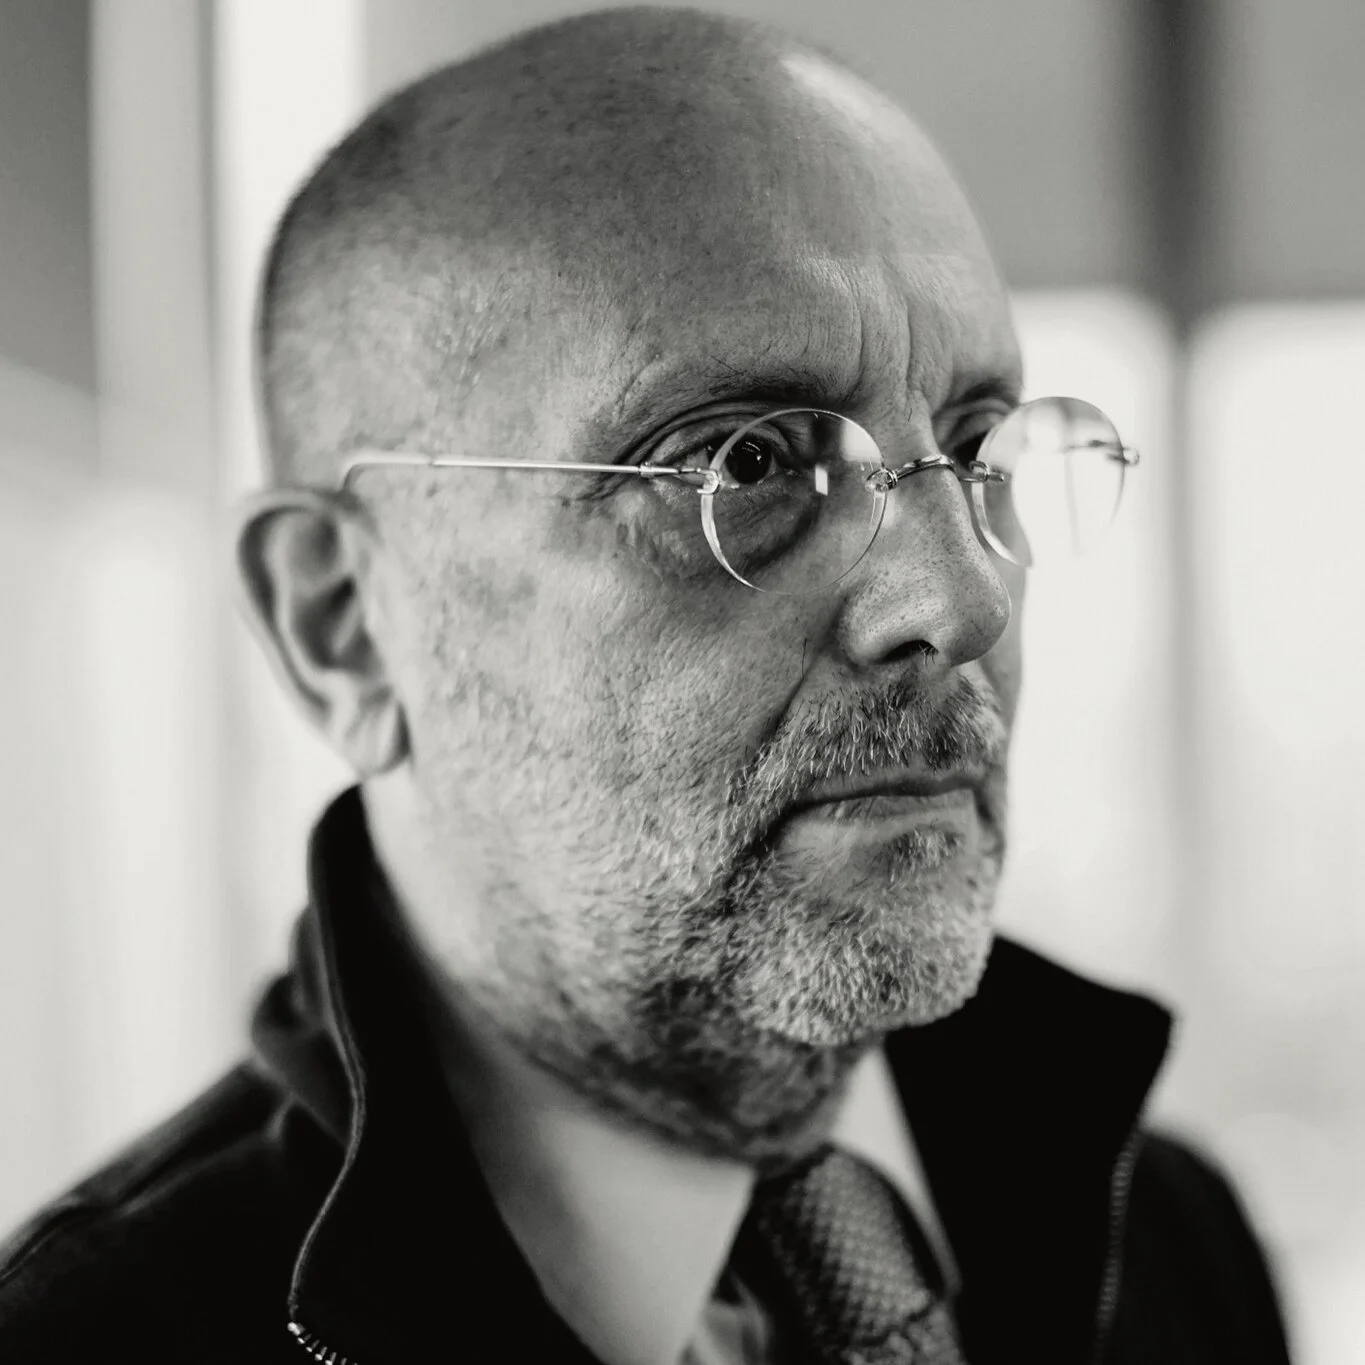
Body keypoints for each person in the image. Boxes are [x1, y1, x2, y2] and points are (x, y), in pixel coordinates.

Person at [0, 8, 1291, 1364]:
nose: (960, 602)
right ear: (344, 623)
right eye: (744, 466)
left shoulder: (1174, 1236)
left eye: (976, 449)